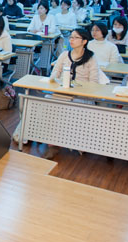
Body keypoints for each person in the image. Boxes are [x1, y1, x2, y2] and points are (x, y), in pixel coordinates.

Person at [48, 28, 100, 158]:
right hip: (63, 91)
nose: (71, 40)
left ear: (84, 41)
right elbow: (55, 73)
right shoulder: (64, 55)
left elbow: (94, 82)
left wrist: (78, 88)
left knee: (73, 106)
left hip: (82, 94)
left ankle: (73, 142)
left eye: (76, 38)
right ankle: (53, 142)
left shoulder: (91, 58)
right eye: (71, 37)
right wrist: (55, 79)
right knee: (48, 101)